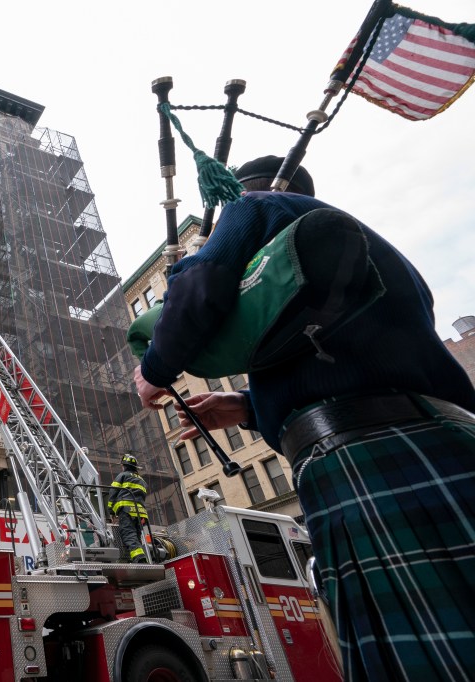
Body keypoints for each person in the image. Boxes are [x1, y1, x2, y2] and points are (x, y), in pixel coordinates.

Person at [134, 155, 475, 681]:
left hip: (360, 457)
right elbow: (358, 358)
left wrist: (155, 367)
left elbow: (199, 285)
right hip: (446, 441)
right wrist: (249, 407)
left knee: (413, 656)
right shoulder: (381, 256)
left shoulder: (254, 205)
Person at [108, 453, 149, 563]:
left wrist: (111, 510)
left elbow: (113, 492)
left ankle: (139, 558)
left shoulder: (122, 476)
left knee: (128, 534)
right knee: (136, 535)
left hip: (127, 510)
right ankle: (139, 557)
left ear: (124, 466)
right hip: (141, 513)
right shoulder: (142, 480)